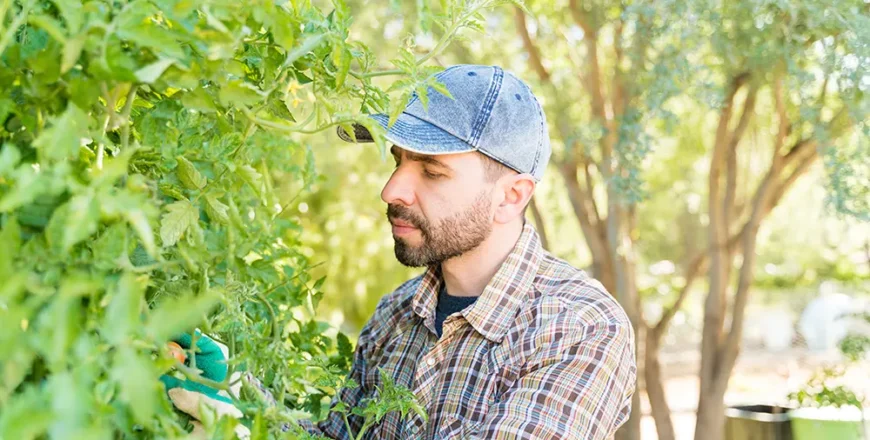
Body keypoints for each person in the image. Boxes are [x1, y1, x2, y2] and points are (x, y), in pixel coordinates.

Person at [169, 64, 636, 439]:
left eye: (432, 172)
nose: (391, 189)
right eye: (397, 161)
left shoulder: (579, 328)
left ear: (511, 196)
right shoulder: (395, 317)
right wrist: (236, 399)